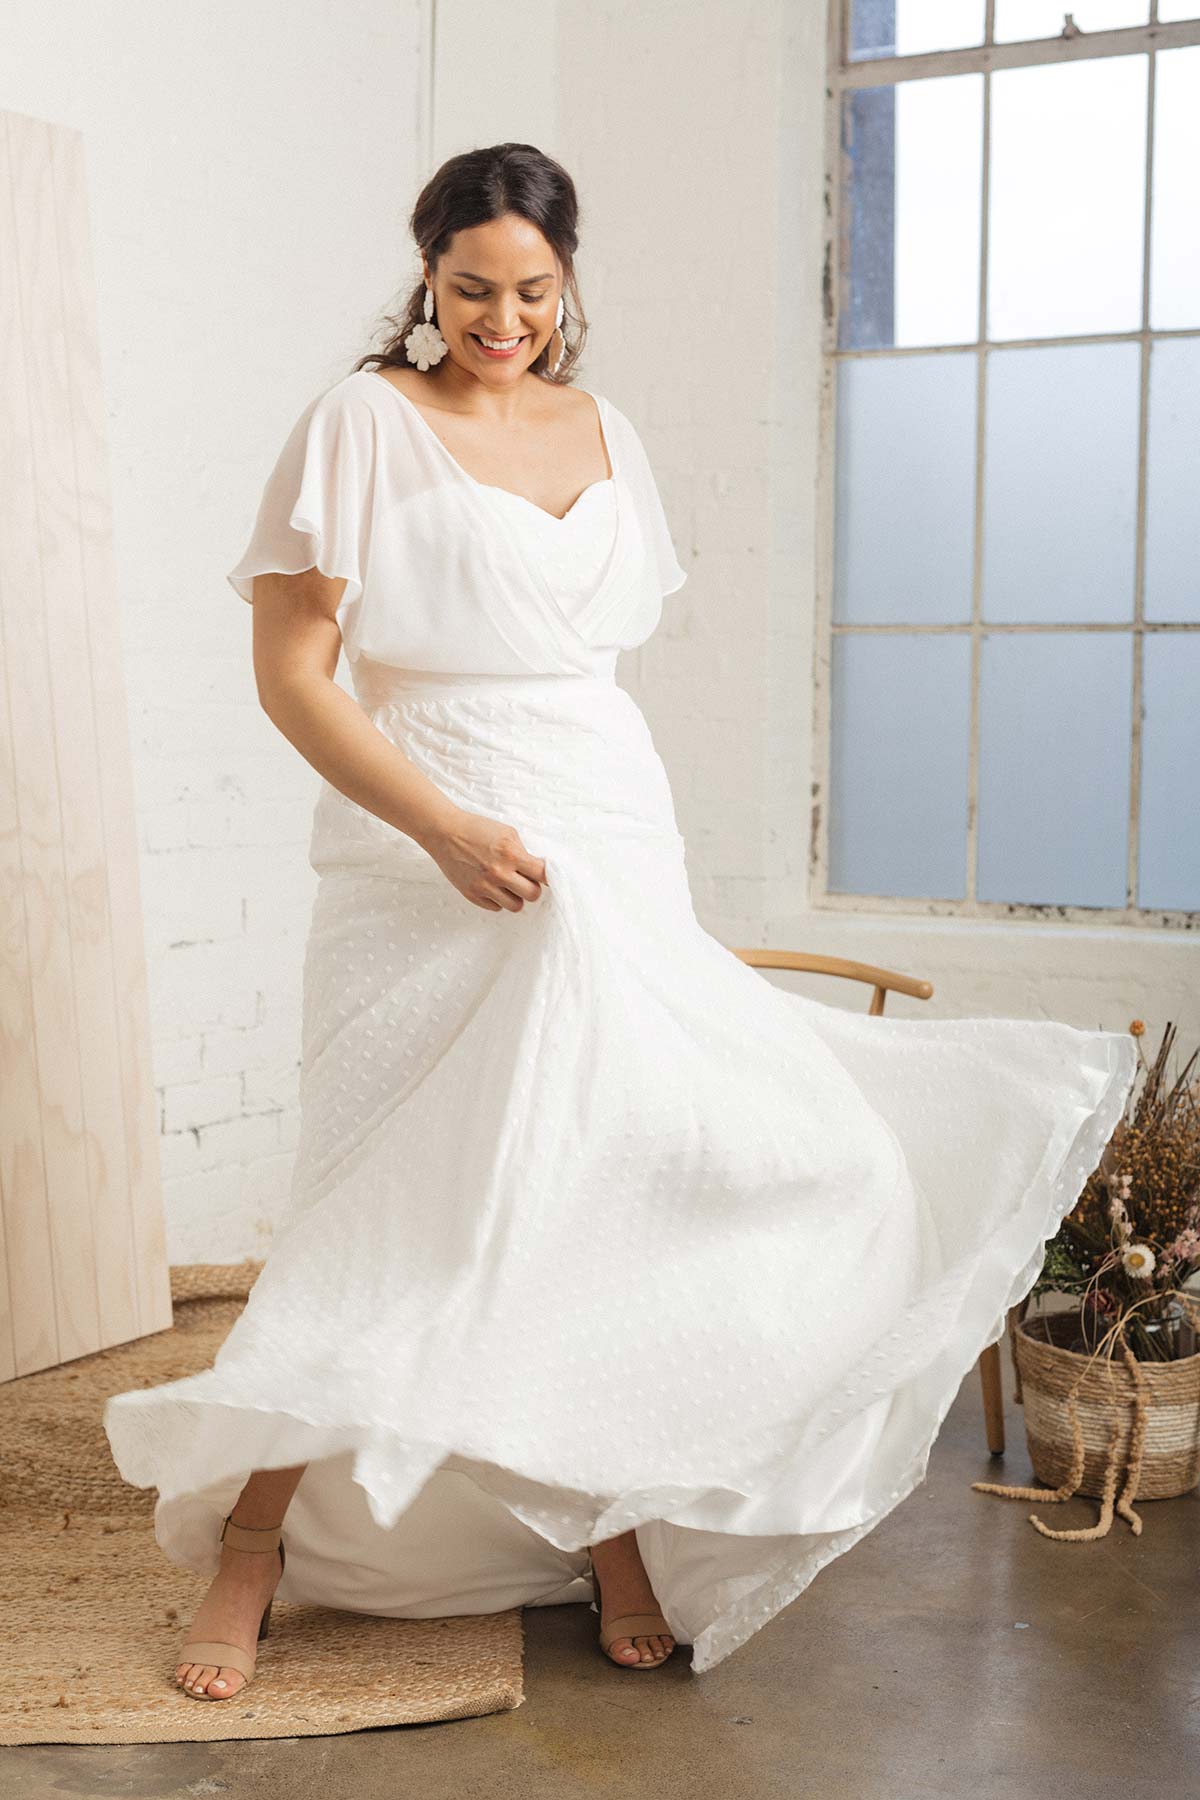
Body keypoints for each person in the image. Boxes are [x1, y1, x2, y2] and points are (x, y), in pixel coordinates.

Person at [104, 142, 1137, 1699]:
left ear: (567, 278)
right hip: (426, 844)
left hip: (602, 823)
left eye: (531, 290)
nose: (501, 320)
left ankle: (614, 1528)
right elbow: (293, 678)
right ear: (426, 273)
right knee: (392, 1216)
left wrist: (590, 837)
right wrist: (442, 826)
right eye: (470, 289)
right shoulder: (360, 424)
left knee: (617, 1191)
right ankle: (256, 1543)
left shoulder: (606, 432)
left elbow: (586, 673)